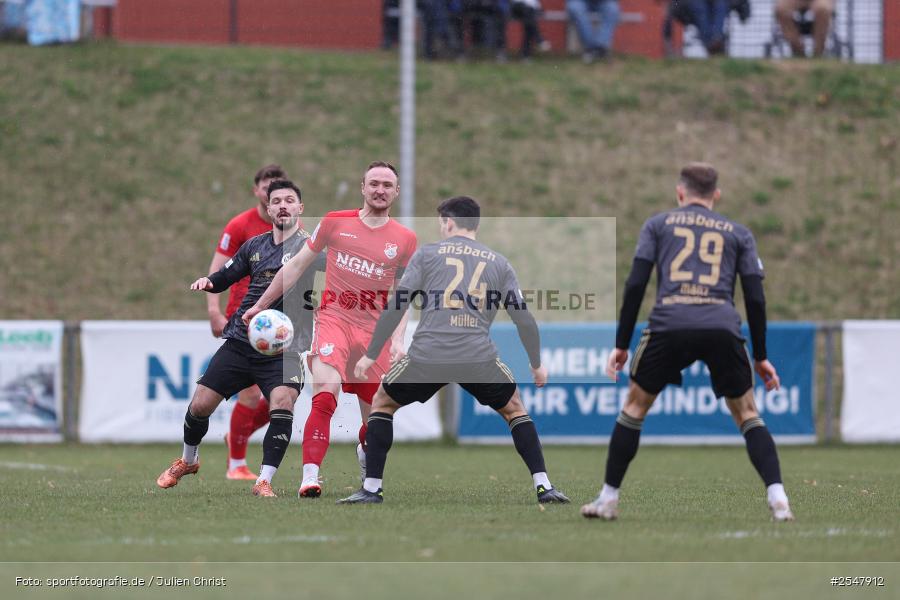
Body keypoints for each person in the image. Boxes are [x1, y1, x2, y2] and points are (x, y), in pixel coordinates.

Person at [581, 163, 794, 522]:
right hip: (721, 325)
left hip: (670, 323)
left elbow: (635, 284)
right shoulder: (739, 233)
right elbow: (755, 298)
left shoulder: (658, 224)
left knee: (634, 408)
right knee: (747, 413)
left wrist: (621, 344)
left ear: (680, 193)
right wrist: (760, 355)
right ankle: (779, 499)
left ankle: (608, 499)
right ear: (716, 195)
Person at [338, 196, 570, 505]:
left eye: (441, 222)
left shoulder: (428, 255)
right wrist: (537, 363)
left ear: (448, 222)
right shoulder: (498, 262)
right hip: (476, 357)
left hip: (427, 356)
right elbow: (523, 318)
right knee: (514, 409)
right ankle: (544, 486)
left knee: (382, 403)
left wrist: (372, 353)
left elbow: (397, 305)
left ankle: (371, 488)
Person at [243, 161, 417, 498]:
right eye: (374, 184)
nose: (379, 190)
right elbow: (294, 267)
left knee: (378, 416)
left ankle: (367, 455)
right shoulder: (336, 222)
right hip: (334, 319)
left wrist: (398, 339)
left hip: (374, 331)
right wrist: (260, 305)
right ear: (362, 188)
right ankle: (310, 477)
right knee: (326, 392)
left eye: (386, 185)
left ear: (396, 192)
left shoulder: (405, 239)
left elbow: (404, 295)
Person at [156, 180, 323, 498]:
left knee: (282, 403)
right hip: (241, 341)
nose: (283, 205)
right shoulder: (255, 246)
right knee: (200, 405)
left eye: (290, 200)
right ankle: (188, 461)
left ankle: (264, 480)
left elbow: (341, 271)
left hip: (285, 349)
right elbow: (227, 276)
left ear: (301, 209)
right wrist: (210, 281)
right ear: (269, 208)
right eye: (277, 201)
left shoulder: (311, 249)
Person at [207, 164, 288, 481]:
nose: (272, 193)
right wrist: (214, 310)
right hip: (245, 317)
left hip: (281, 319)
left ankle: (236, 440)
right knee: (252, 394)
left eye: (277, 188)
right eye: (266, 186)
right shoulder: (241, 224)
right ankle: (236, 463)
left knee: (281, 399)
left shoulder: (293, 230)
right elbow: (218, 268)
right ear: (257, 191)